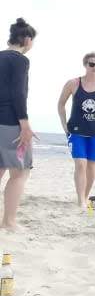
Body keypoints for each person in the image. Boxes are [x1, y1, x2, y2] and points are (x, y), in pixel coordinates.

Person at [56, 52, 95, 208]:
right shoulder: (73, 83)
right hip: (77, 131)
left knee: (92, 165)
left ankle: (86, 195)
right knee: (80, 164)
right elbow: (61, 104)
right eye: (92, 64)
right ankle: (81, 200)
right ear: (85, 65)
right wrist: (64, 123)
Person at [0, 19, 36, 230]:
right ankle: (9, 222)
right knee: (20, 172)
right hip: (10, 122)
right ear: (27, 39)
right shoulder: (20, 60)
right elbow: (18, 93)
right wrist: (25, 124)